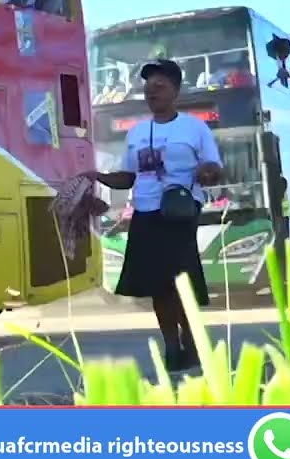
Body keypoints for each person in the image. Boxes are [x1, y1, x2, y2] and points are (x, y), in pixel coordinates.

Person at [83, 58, 223, 372]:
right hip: (145, 213)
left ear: (175, 91)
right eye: (148, 86)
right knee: (158, 286)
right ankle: (171, 347)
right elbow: (128, 177)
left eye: (160, 85)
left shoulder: (194, 127)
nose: (152, 91)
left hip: (180, 212)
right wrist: (99, 176)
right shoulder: (135, 133)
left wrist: (207, 172)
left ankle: (192, 344)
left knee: (181, 282)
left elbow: (215, 168)